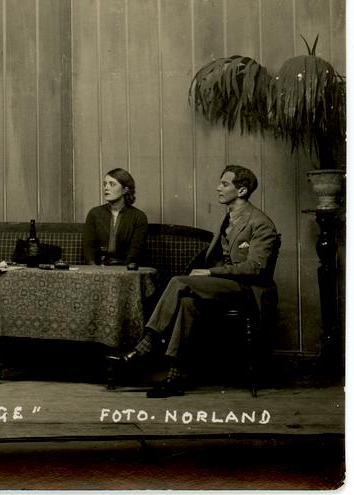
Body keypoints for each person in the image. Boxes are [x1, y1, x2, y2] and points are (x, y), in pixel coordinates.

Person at [107, 165, 278, 398]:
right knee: (187, 303)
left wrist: (210, 273)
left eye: (224, 184)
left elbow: (255, 267)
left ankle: (145, 345)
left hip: (248, 290)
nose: (218, 188)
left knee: (179, 283)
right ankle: (174, 377)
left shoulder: (260, 223)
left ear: (242, 191)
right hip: (226, 287)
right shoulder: (229, 218)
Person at [82, 168, 148, 265]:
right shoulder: (94, 213)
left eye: (112, 184)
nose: (106, 188)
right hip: (99, 267)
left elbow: (136, 251)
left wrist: (123, 270)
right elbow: (88, 248)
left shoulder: (138, 217)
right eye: (105, 184)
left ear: (125, 190)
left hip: (127, 268)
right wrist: (94, 268)